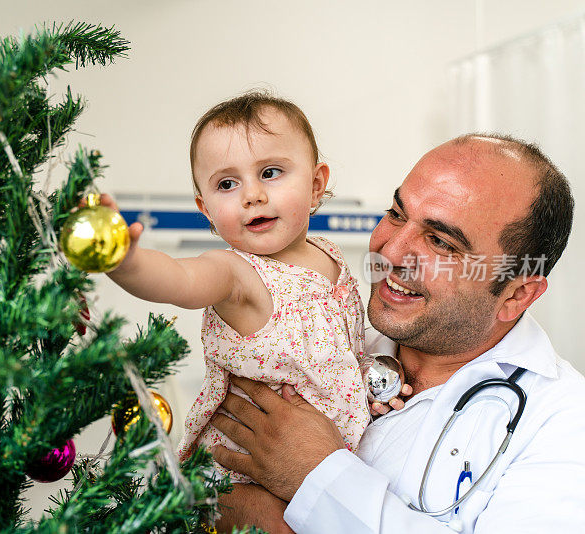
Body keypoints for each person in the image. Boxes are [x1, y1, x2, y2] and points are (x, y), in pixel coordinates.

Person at [210, 133, 585, 533]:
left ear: (516, 293)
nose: (390, 252)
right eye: (396, 213)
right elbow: (203, 480)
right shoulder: (321, 344)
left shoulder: (563, 425)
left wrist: (317, 476)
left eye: (440, 242)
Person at [105, 91, 372, 483]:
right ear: (206, 210)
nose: (252, 195)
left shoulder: (328, 254)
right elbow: (179, 279)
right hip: (251, 470)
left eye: (270, 173)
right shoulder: (235, 274)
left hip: (328, 461)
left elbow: (343, 354)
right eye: (227, 184)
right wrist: (124, 261)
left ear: (316, 185)